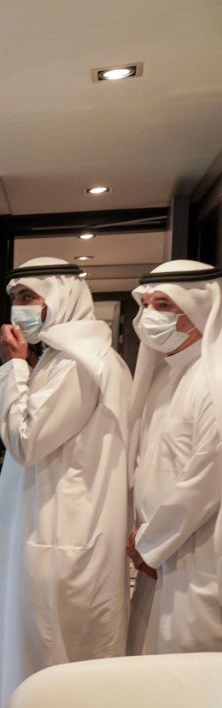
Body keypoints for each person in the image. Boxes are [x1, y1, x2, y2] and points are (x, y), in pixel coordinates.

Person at [0, 257, 132, 708]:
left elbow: (26, 440)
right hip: (53, 526)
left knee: (42, 650)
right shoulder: (67, 357)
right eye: (15, 297)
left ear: (62, 297)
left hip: (60, 532)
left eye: (30, 297)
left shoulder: (78, 363)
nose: (20, 308)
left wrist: (14, 366)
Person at [126, 260, 222, 655]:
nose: (150, 315)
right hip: (155, 552)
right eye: (146, 304)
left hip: (197, 555)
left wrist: (150, 543)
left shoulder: (214, 379)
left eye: (163, 304)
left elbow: (207, 478)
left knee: (185, 667)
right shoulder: (166, 379)